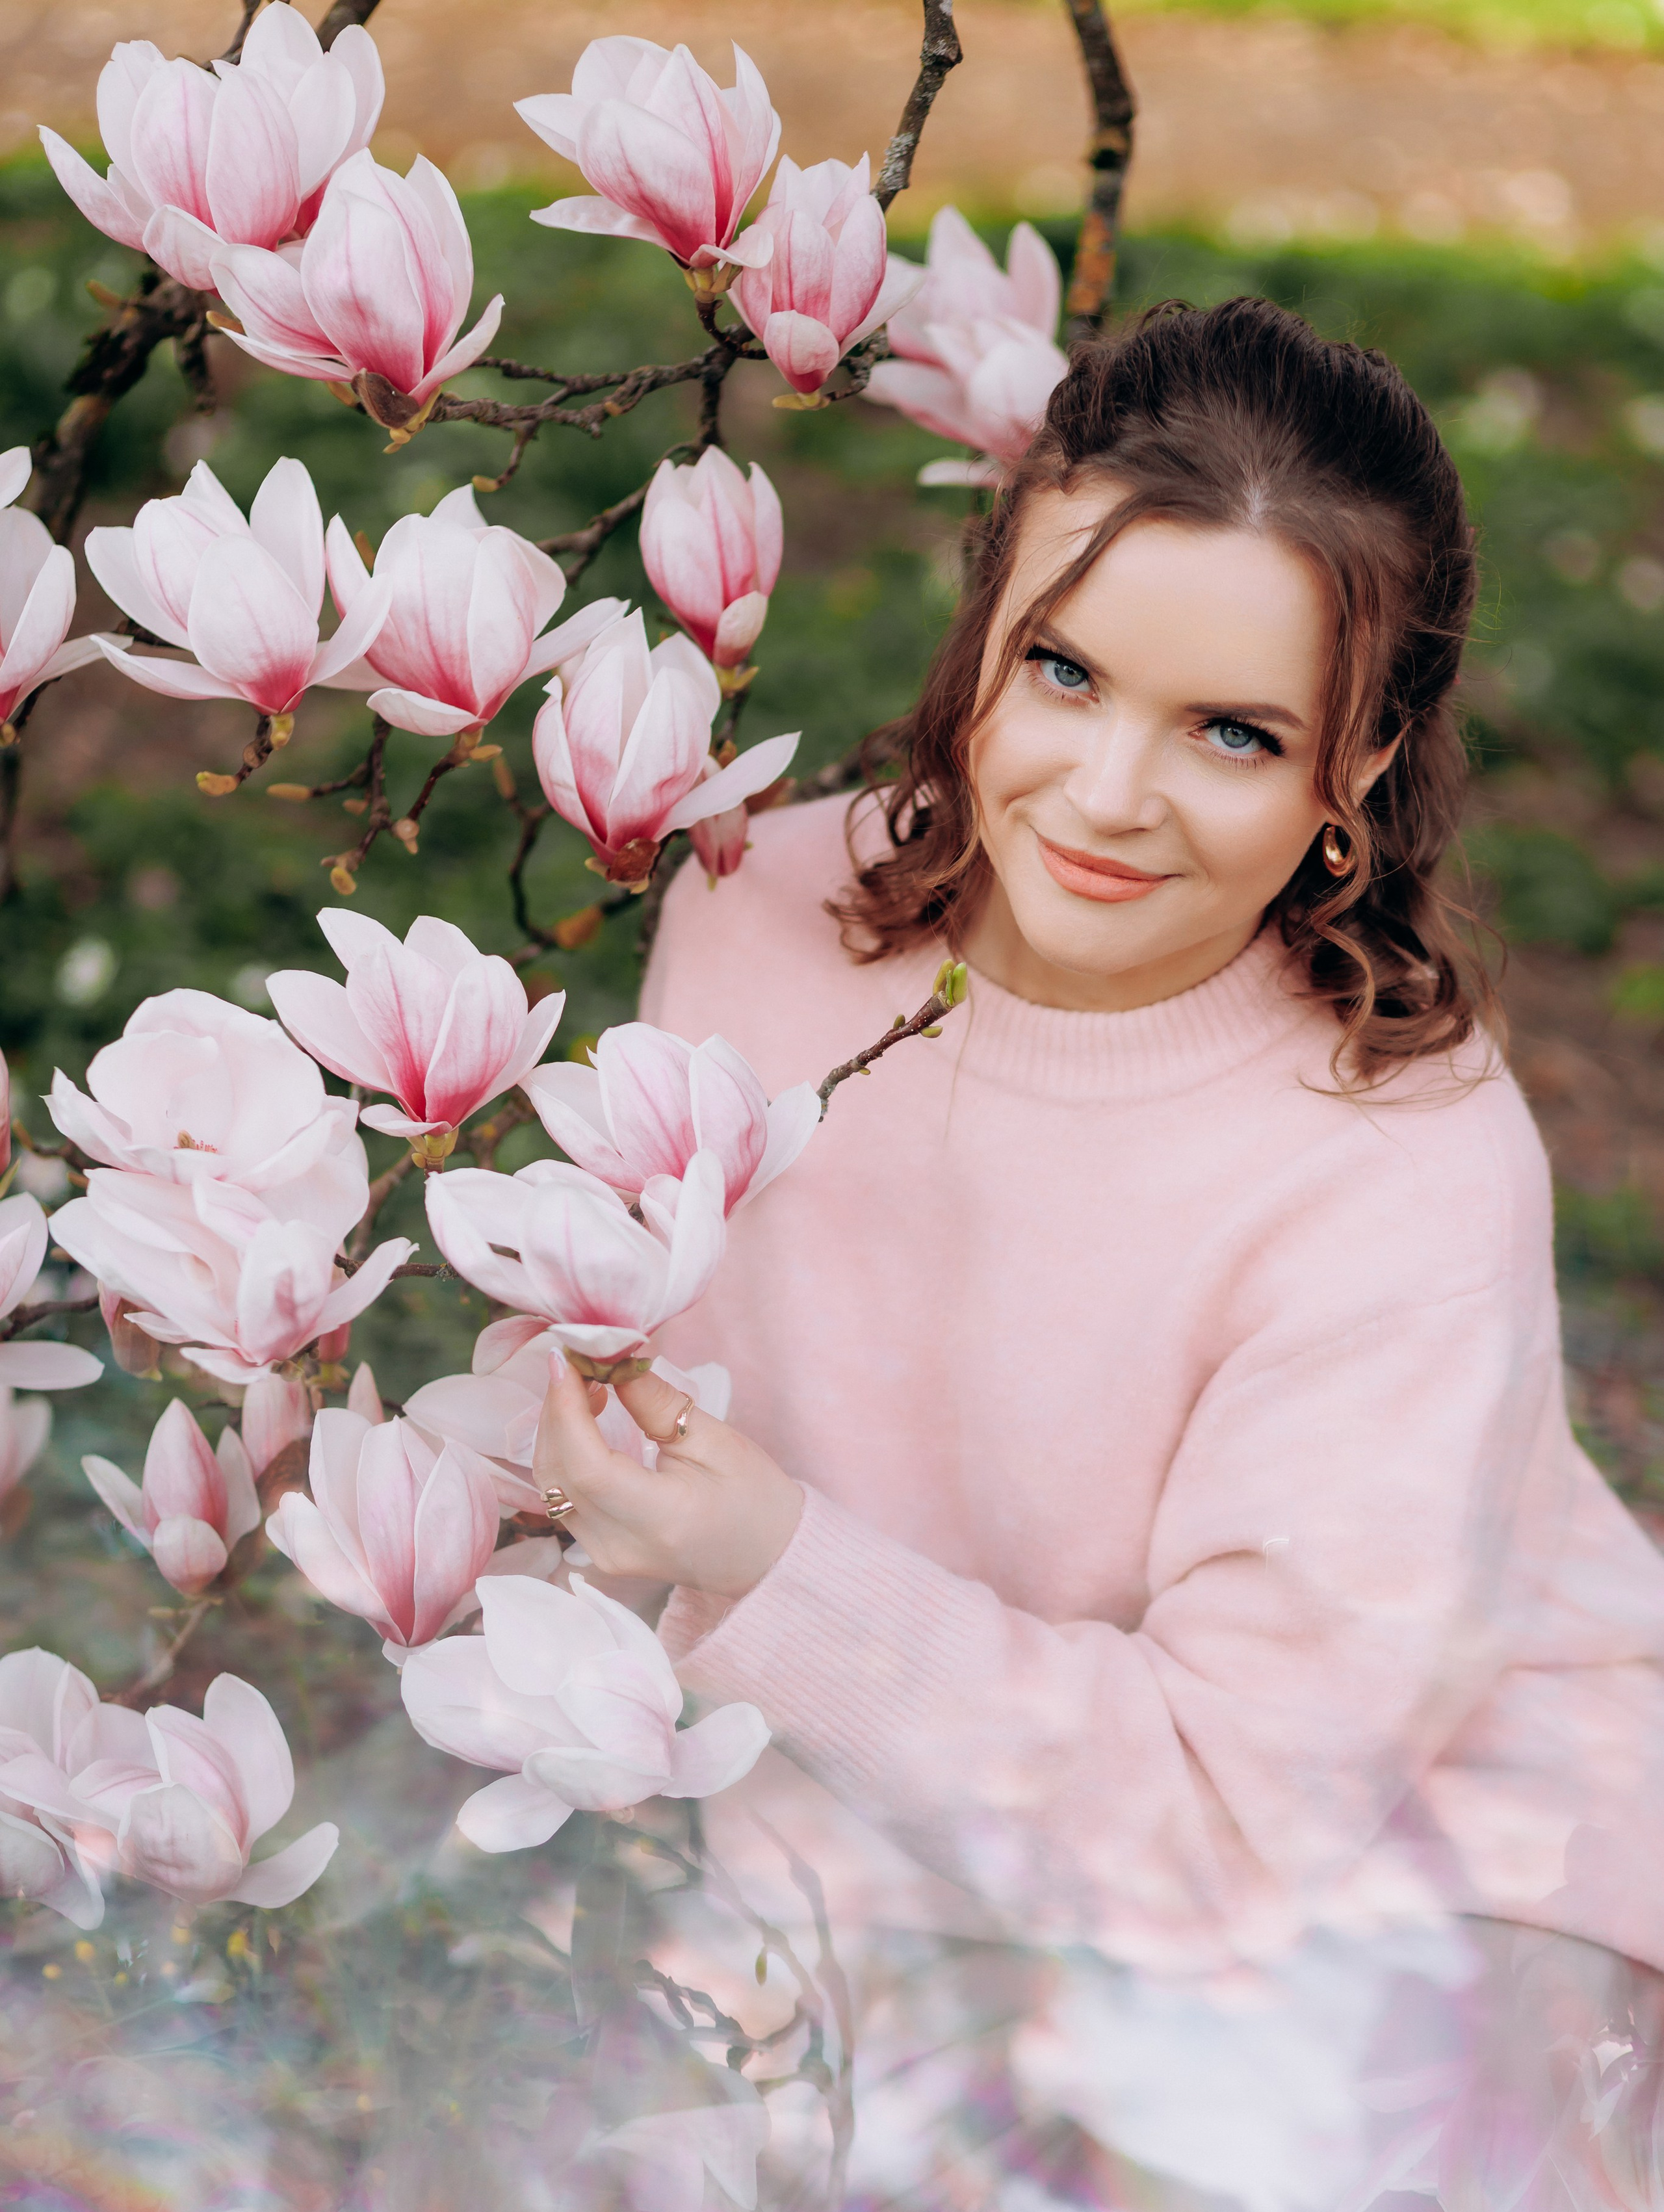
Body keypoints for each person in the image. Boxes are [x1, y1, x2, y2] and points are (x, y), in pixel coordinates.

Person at [530, 296, 1664, 1979]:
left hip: (1414, 1901)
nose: (1107, 796)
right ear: (986, 625)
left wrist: (776, 1574)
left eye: (1234, 732)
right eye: (1065, 672)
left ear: (1355, 766)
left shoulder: (1402, 1173)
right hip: (926, 1853)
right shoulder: (748, 910)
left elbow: (1225, 1827)